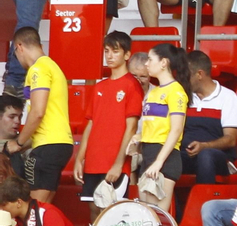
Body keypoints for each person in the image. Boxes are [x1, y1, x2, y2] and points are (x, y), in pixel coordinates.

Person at [72, 32, 141, 213]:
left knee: (113, 213)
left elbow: (131, 127)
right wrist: (80, 158)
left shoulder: (131, 85)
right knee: (94, 210)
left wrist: (119, 164)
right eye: (107, 51)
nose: (109, 56)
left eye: (115, 51)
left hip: (114, 161)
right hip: (94, 161)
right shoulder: (99, 87)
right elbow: (90, 125)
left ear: (127, 55)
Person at [10, 30, 70, 203]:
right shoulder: (52, 66)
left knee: (32, 209)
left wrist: (18, 142)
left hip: (47, 147)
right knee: (44, 209)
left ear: (19, 47)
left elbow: (37, 112)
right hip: (60, 144)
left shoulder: (38, 69)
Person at [136, 44, 189, 211]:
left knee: (157, 216)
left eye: (150, 59)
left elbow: (176, 129)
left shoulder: (176, 91)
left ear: (164, 62)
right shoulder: (153, 92)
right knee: (145, 215)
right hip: (148, 153)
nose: (146, 64)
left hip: (165, 155)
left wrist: (159, 162)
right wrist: (137, 138)